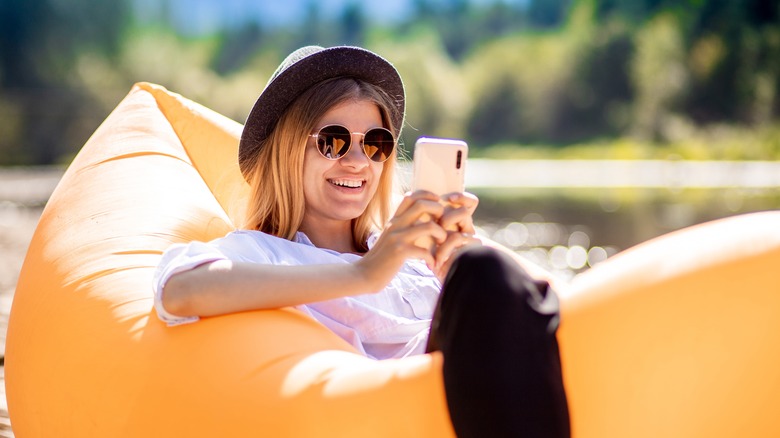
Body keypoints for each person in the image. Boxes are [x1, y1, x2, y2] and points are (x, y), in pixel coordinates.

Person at [153, 45, 570, 437]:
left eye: (376, 144)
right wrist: (365, 273)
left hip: (477, 394)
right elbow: (179, 290)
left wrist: (455, 267)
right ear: (284, 150)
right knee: (484, 272)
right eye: (332, 141)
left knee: (483, 268)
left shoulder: (409, 251)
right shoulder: (262, 251)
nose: (357, 162)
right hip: (388, 412)